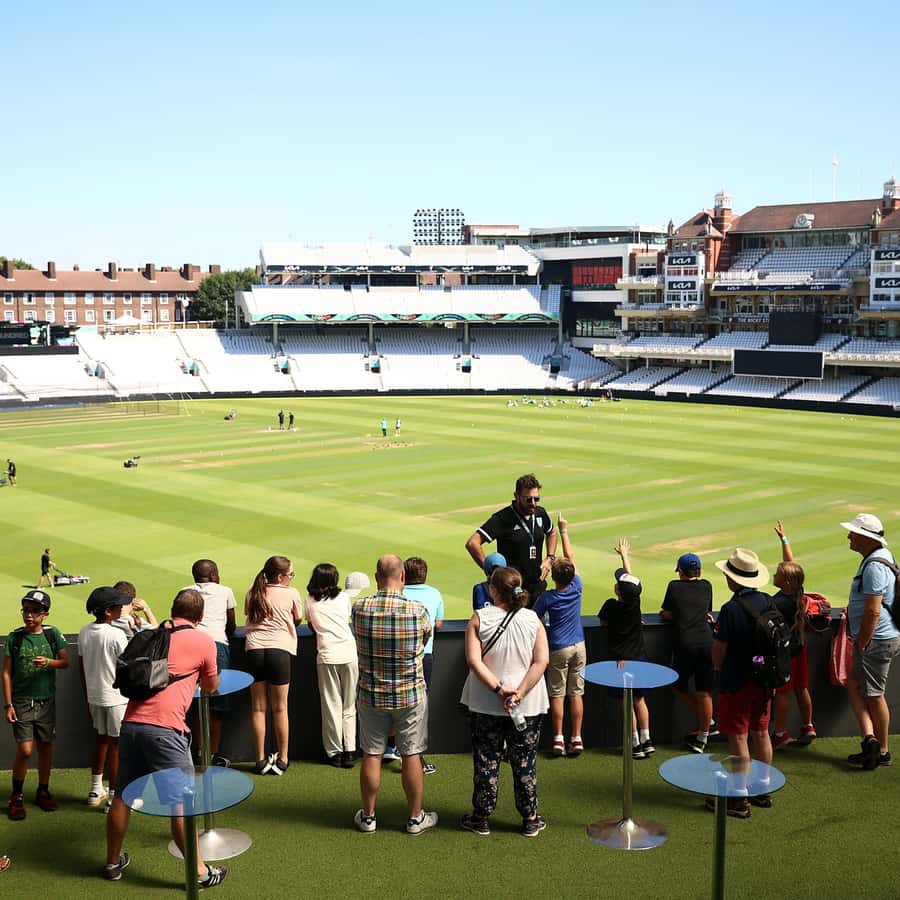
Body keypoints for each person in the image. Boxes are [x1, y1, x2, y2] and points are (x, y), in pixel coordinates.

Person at [104, 589, 227, 888]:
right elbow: (211, 686)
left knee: (122, 796)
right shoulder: (203, 640)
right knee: (182, 806)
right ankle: (201, 873)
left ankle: (112, 863)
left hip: (131, 725)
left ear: (173, 610)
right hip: (166, 731)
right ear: (200, 616)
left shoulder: (155, 633)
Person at [459, 566, 550, 838]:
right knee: (525, 761)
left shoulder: (479, 618)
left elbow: (474, 661)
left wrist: (500, 690)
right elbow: (541, 661)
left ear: (493, 590)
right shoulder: (533, 619)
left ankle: (481, 817)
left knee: (486, 760)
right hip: (527, 705)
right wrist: (519, 692)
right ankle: (530, 818)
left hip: (486, 704)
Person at [351, 555, 437, 835]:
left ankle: (368, 817)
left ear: (377, 578)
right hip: (409, 695)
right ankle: (414, 818)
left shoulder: (360, 608)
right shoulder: (418, 610)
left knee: (372, 754)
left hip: (372, 694)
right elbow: (424, 640)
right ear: (402, 577)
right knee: (411, 754)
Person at [711, 548, 775, 817]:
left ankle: (739, 797)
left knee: (738, 736)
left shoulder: (731, 609)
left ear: (733, 579)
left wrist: (717, 668)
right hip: (764, 679)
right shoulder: (768, 601)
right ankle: (763, 788)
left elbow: (719, 648)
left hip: (737, 680)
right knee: (761, 732)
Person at [3, 589, 69, 821]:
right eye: (26, 610)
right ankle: (16, 796)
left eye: (35, 611)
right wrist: (8, 704)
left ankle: (43, 790)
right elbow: (6, 673)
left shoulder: (52, 634)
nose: (29, 615)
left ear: (45, 614)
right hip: (21, 702)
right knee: (25, 750)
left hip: (46, 701)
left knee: (46, 746)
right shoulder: (15, 638)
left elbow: (65, 661)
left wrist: (49, 662)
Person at [841, 513, 899, 770]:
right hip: (880, 638)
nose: (849, 536)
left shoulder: (874, 566)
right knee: (855, 684)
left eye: (853, 533)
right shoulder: (881, 557)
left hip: (875, 640)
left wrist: (863, 641)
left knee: (875, 695)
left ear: (865, 538)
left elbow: (873, 610)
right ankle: (870, 740)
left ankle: (882, 751)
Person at [244, 555, 302, 775]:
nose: (291, 578)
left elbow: (249, 614)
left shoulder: (252, 592)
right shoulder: (291, 593)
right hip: (280, 651)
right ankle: (283, 758)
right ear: (280, 577)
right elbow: (298, 618)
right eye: (290, 575)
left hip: (254, 651)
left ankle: (259, 759)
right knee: (280, 708)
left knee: (258, 708)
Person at [533, 514, 585, 757]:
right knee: (576, 693)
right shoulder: (577, 587)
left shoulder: (547, 597)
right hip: (579, 647)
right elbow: (570, 558)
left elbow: (534, 618)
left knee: (557, 693)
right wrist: (563, 530)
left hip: (558, 648)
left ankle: (558, 739)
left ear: (552, 577)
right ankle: (577, 738)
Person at [597, 540, 654, 759]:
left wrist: (624, 557)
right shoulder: (635, 604)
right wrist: (625, 556)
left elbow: (603, 622)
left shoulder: (611, 606)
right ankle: (647, 740)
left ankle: (634, 743)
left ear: (617, 590)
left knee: (626, 702)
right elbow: (631, 582)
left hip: (621, 662)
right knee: (640, 700)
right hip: (639, 658)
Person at [465, 473, 558, 604]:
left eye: (536, 499)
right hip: (512, 592)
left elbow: (552, 532)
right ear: (516, 496)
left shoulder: (540, 514)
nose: (533, 503)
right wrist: (491, 571)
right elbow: (473, 543)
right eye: (528, 499)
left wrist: (550, 558)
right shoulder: (503, 518)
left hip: (537, 589)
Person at [78, 586, 130, 813]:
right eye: (118, 605)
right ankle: (113, 797)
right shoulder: (116, 634)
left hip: (95, 697)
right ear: (108, 611)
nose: (122, 607)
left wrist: (88, 695)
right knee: (116, 746)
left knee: (101, 740)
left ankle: (95, 789)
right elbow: (126, 666)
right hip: (116, 698)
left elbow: (81, 667)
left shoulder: (84, 632)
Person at [660, 552, 715, 752]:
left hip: (686, 644)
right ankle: (703, 735)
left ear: (681, 571)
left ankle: (706, 720)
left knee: (676, 685)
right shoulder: (707, 585)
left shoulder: (674, 586)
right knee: (704, 691)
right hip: (707, 642)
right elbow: (705, 611)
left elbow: (667, 613)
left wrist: (667, 615)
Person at [304, 563, 358, 768]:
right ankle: (350, 750)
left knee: (331, 705)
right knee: (349, 705)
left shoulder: (310, 600)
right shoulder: (344, 598)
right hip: (348, 653)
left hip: (327, 655)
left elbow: (311, 624)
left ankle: (335, 752)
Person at [184, 560, 237, 766]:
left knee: (198, 702)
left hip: (190, 645)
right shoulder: (225, 591)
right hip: (217, 646)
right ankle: (212, 754)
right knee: (217, 704)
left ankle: (199, 752)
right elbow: (231, 624)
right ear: (214, 575)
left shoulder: (185, 591)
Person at [770, 522, 816, 750]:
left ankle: (780, 734)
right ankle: (808, 726)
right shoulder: (798, 591)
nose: (774, 574)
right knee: (801, 688)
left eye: (777, 574)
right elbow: (792, 565)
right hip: (800, 647)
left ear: (786, 581)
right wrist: (784, 540)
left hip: (785, 653)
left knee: (782, 692)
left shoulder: (777, 603)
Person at [402, 556, 444, 774]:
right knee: (419, 706)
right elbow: (438, 624)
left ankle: (394, 749)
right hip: (424, 655)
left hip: (402, 654)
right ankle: (415, 757)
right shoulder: (434, 593)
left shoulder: (399, 592)